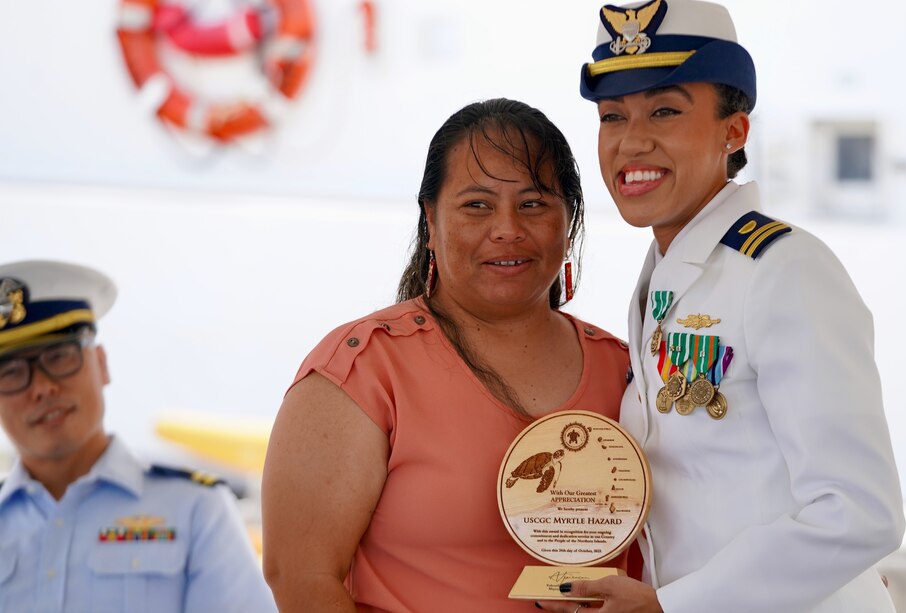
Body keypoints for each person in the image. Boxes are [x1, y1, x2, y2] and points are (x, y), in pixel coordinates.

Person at [541, 1, 906, 611]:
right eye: (612, 117)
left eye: (664, 110)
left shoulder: (785, 270)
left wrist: (671, 606)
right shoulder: (670, 274)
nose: (632, 141)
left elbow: (861, 511)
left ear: (734, 131)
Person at [261, 98, 634, 612]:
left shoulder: (632, 372)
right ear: (431, 221)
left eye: (533, 204)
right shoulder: (363, 369)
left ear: (568, 223)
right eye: (477, 205)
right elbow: (301, 577)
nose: (507, 228)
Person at [0, 259, 275, 613]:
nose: (42, 387)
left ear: (101, 363)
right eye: (10, 371)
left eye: (59, 356)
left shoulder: (196, 511)